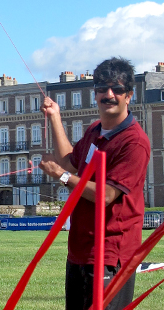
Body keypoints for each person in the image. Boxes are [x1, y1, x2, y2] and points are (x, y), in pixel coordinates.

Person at [38, 57, 150, 310]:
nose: (109, 95)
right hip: (80, 248)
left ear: (129, 96)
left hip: (110, 252)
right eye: (102, 88)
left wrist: (60, 176)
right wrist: (55, 116)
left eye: (117, 89)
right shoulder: (94, 131)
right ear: (95, 93)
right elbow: (69, 162)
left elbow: (106, 195)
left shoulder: (134, 142)